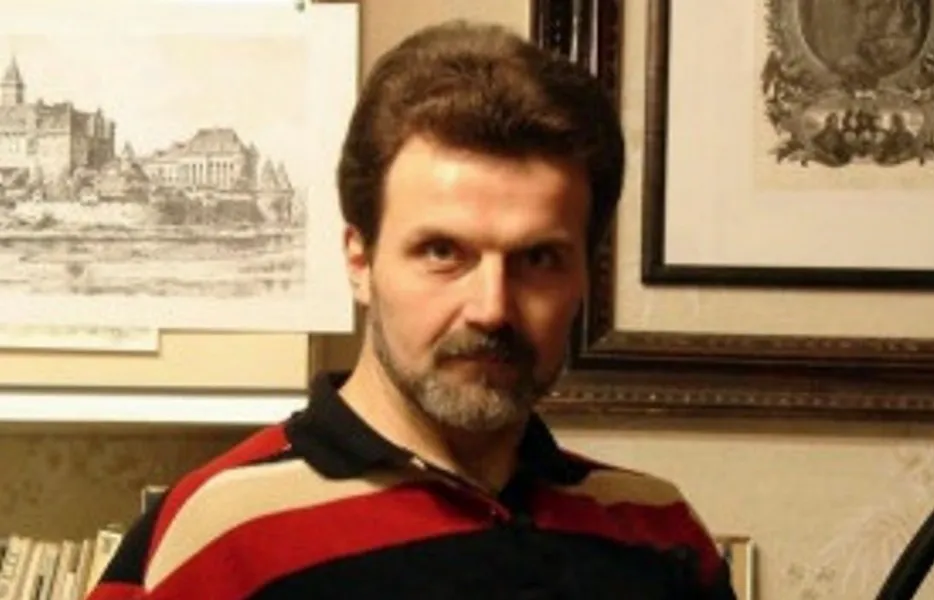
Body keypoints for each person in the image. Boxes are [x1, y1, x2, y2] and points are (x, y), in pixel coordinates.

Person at [86, 20, 736, 599]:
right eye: (443, 252)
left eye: (539, 259)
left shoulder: (660, 532)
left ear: (585, 279)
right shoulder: (217, 541)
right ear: (359, 262)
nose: (492, 309)